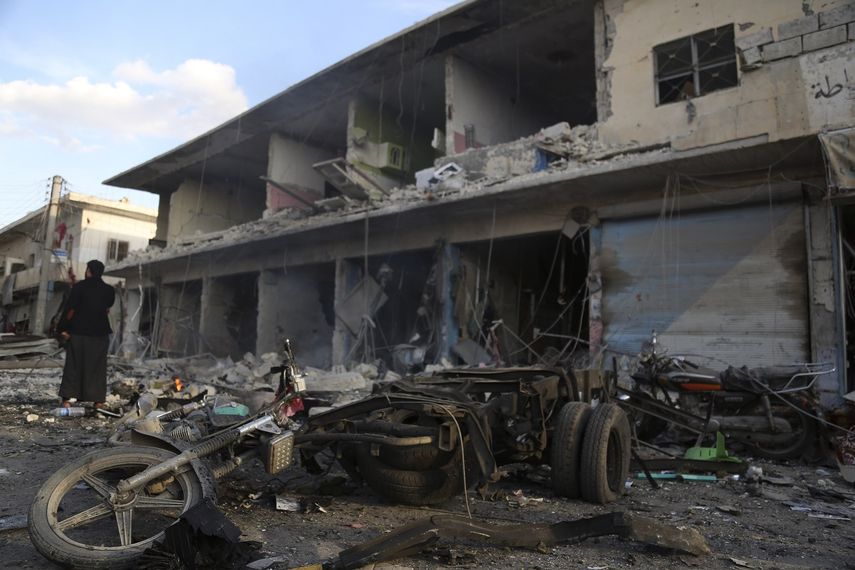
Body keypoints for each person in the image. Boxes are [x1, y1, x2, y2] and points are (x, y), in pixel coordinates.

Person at [57, 259, 115, 408]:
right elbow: (108, 305)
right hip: (100, 334)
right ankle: (98, 401)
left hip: (78, 332)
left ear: (88, 271)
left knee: (74, 366)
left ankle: (67, 400)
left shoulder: (79, 287)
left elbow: (70, 310)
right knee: (97, 367)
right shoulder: (109, 290)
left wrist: (62, 328)